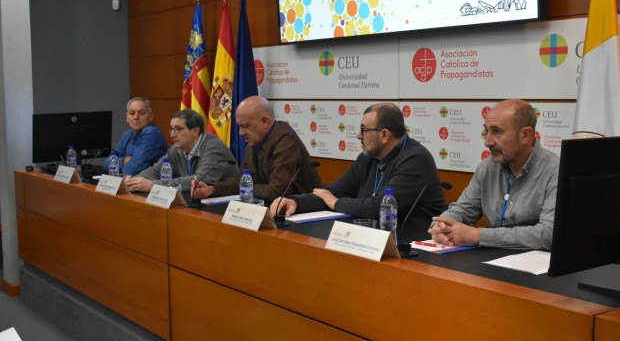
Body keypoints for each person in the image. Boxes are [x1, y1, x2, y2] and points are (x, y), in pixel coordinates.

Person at [270, 102, 446, 238]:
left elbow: (380, 207)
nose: (358, 135)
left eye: (364, 130)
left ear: (384, 135)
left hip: (411, 248)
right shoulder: (368, 158)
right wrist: (296, 202)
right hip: (371, 241)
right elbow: (333, 192)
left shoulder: (416, 159)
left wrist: (337, 203)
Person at [428, 99, 559, 250]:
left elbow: (548, 234)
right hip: (490, 260)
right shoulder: (487, 168)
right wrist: (441, 226)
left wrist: (478, 236)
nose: (487, 142)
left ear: (525, 135)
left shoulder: (554, 171)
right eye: (487, 131)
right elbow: (463, 210)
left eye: (497, 132)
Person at [192, 96, 322, 202]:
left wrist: (246, 187)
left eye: (245, 126)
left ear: (265, 122)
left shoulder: (286, 140)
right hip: (271, 207)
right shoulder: (254, 141)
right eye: (239, 126)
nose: (241, 133)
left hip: (303, 210)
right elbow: (242, 179)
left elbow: (278, 191)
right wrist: (212, 189)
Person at [125, 109, 239, 193]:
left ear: (195, 131)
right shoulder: (176, 149)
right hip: (196, 200)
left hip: (226, 204)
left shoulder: (214, 148)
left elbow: (198, 180)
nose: (172, 135)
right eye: (171, 129)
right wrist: (133, 181)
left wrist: (152, 186)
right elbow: (156, 170)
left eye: (178, 129)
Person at [103, 97, 168, 176]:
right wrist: (124, 160)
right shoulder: (126, 134)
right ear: (127, 117)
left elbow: (131, 170)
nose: (136, 117)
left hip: (155, 185)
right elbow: (106, 164)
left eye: (141, 113)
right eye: (132, 113)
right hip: (132, 183)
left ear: (151, 116)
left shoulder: (153, 133)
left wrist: (117, 164)